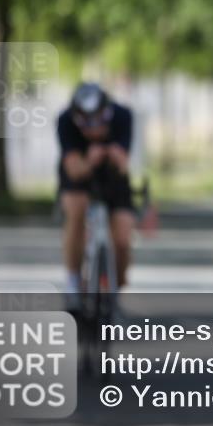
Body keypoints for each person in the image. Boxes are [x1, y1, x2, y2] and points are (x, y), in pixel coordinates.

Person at [57, 82, 135, 303]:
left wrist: (110, 154)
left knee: (122, 237)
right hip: (79, 177)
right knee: (76, 208)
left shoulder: (123, 116)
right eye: (85, 124)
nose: (91, 130)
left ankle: (117, 285)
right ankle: (73, 279)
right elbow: (73, 168)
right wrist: (90, 160)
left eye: (97, 122)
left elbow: (123, 163)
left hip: (113, 176)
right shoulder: (65, 121)